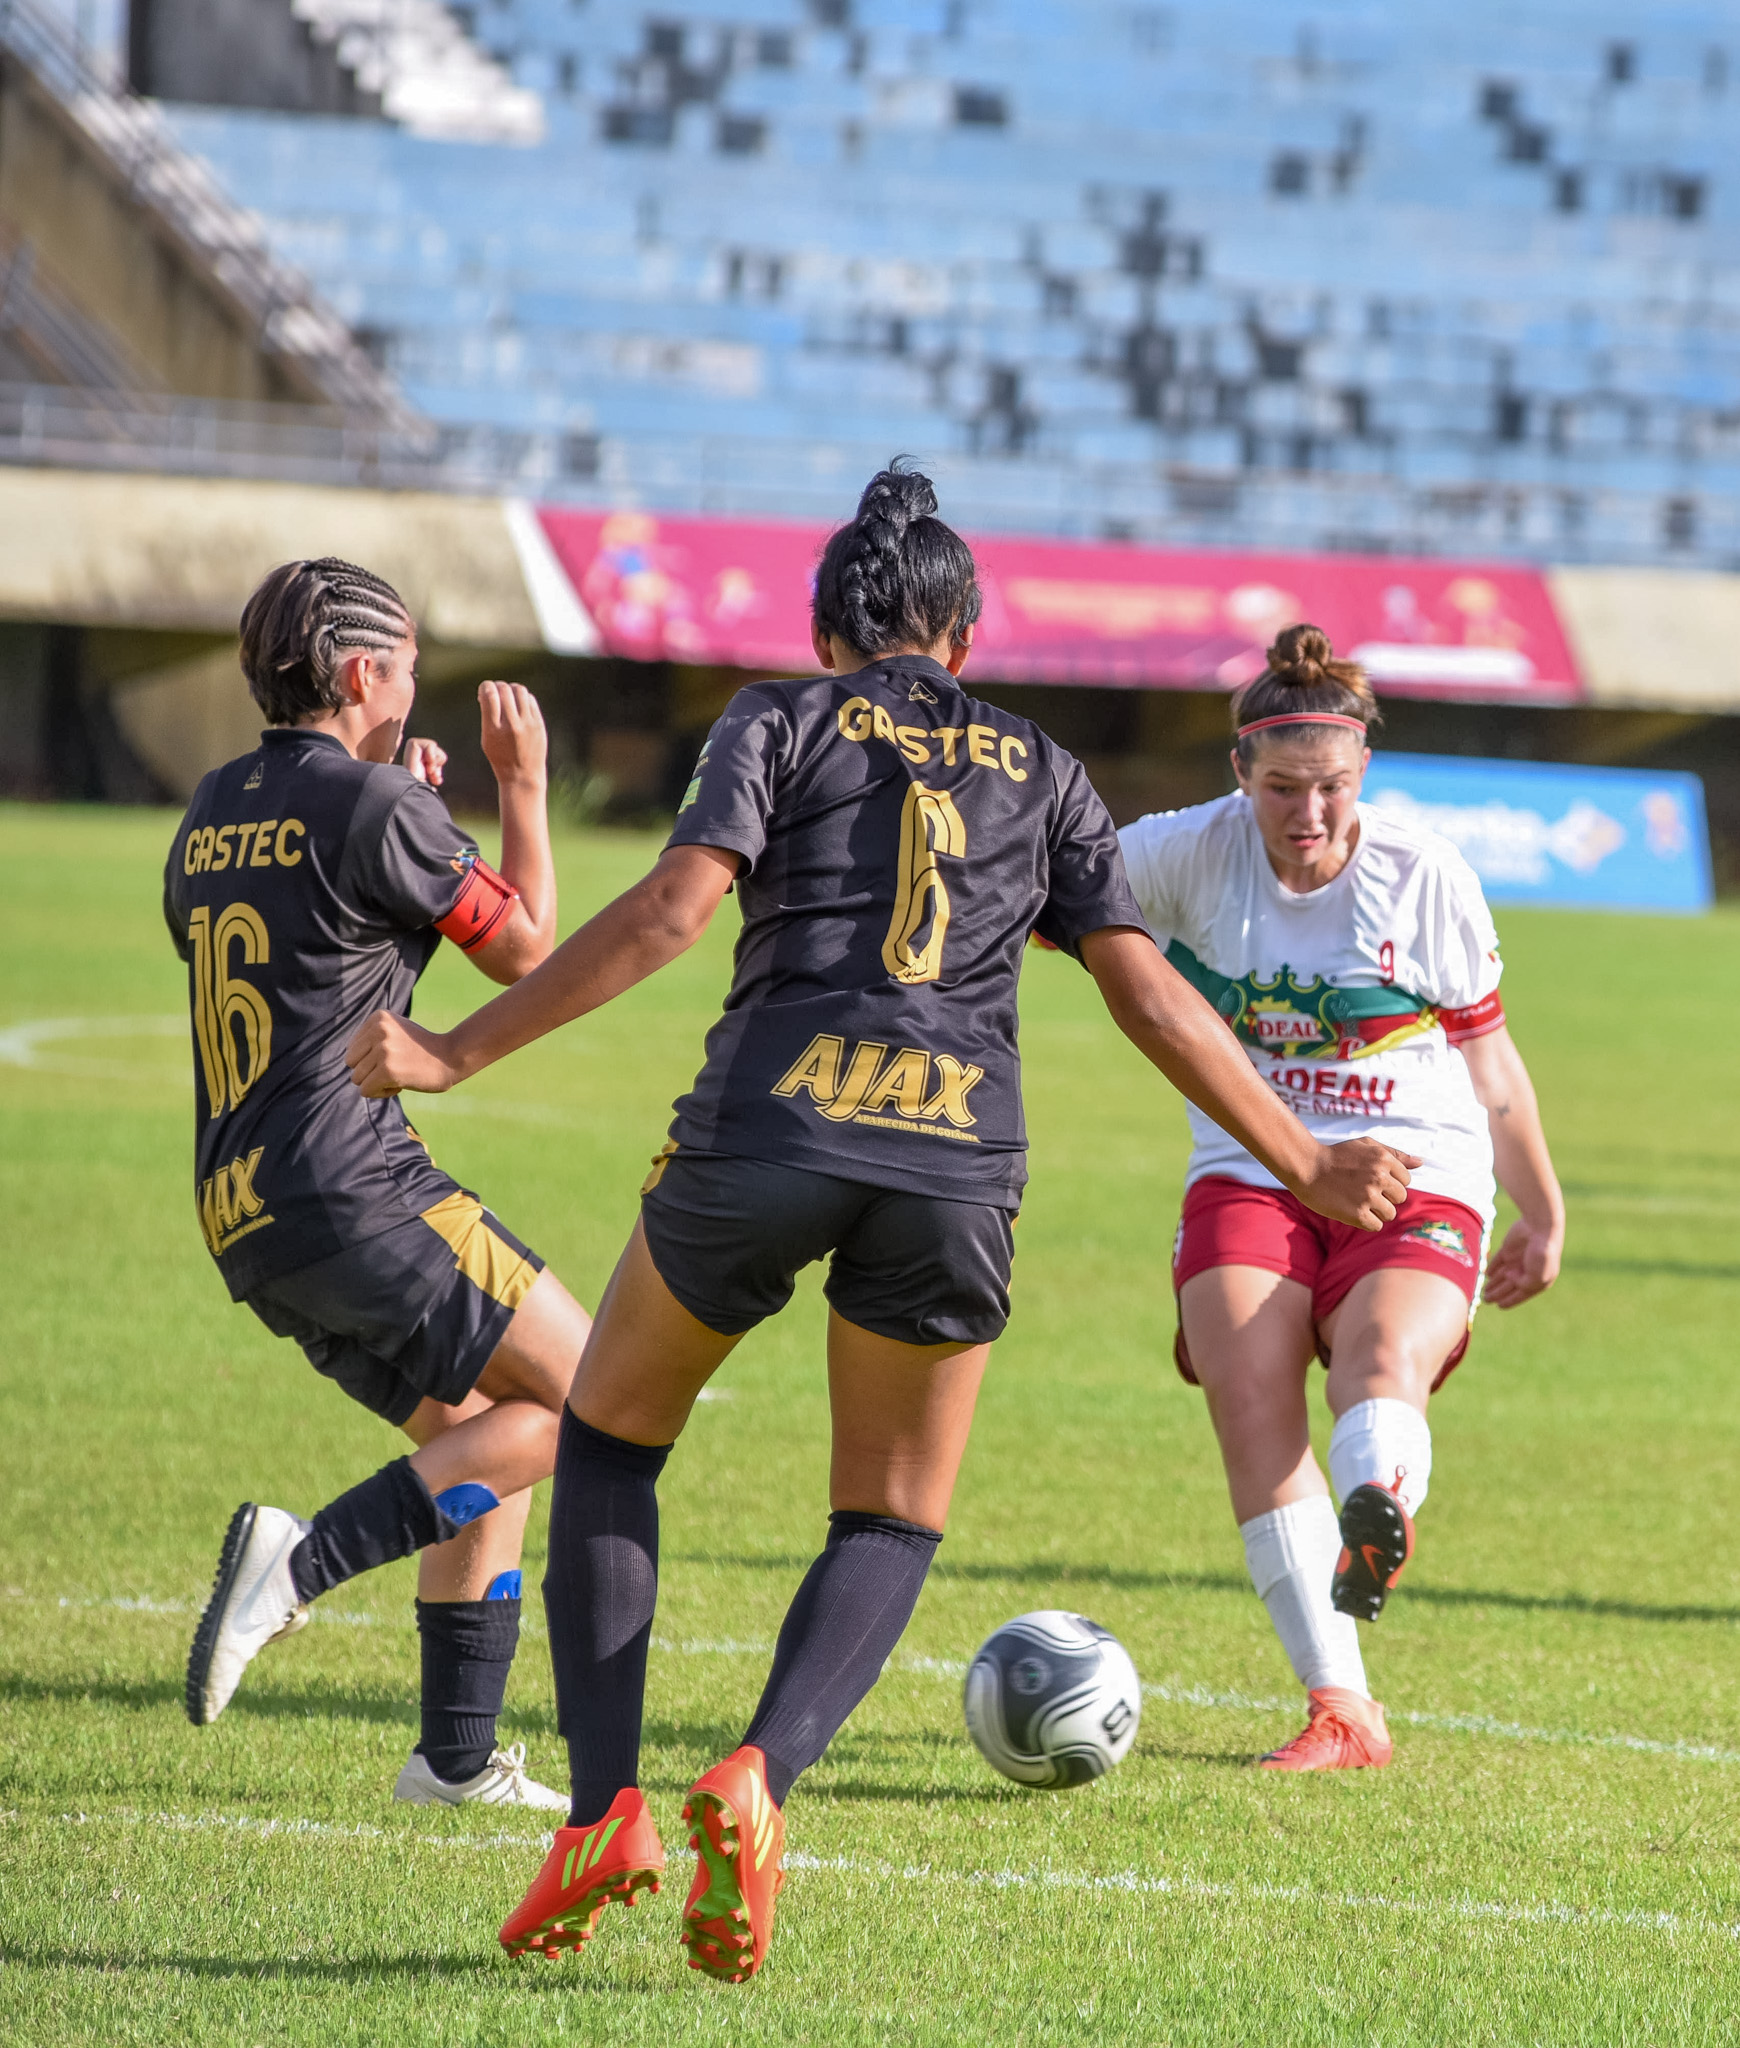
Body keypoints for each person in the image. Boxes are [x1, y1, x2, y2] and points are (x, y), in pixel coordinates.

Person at [346, 466, 1415, 1982]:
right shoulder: (1040, 765)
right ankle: (757, 1779)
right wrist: (1304, 1158)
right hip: (956, 1160)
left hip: (765, 1128)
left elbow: (667, 916)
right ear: (964, 635)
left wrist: (456, 1048)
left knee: (611, 1441)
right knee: (892, 1514)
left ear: (824, 629)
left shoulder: (772, 722)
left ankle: (603, 1817)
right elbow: (1141, 988)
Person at [165, 557, 591, 1811]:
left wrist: (390, 812)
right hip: (353, 1177)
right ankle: (298, 1565)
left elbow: (304, 934)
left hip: (243, 1206)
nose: (416, 682)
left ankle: (453, 1758)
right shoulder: (377, 809)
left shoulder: (207, 808)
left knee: (483, 1439)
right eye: (405, 661)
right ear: (362, 675)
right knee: (590, 1397)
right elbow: (527, 952)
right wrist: (522, 785)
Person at [1118, 625, 1565, 1773]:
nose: (1306, 816)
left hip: (1416, 1164)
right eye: (1280, 789)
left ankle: (1377, 1500)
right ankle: (1342, 1708)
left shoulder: (1425, 876)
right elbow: (1042, 883)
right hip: (1247, 1163)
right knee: (1247, 1389)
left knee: (1378, 1360)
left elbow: (1491, 1064)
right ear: (1238, 775)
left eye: (1329, 789)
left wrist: (1544, 1213)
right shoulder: (1180, 854)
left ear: (1362, 776)